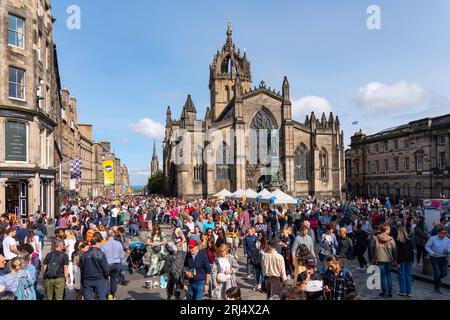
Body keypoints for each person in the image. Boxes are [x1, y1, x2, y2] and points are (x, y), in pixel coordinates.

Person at [371, 224, 397, 298]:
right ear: (385, 230)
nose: (389, 231)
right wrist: (395, 259)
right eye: (388, 230)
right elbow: (395, 250)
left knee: (383, 276)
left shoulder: (377, 238)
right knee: (388, 275)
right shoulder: (391, 239)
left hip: (380, 259)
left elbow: (373, 248)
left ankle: (384, 292)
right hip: (388, 259)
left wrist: (373, 258)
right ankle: (389, 292)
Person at [425, 226, 450, 294]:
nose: (444, 234)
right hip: (434, 258)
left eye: (445, 233)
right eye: (443, 233)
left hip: (443, 257)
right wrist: (432, 252)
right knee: (437, 272)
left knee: (444, 273)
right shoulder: (433, 238)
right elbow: (427, 246)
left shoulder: (447, 240)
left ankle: (438, 280)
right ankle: (437, 288)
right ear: (438, 233)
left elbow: (449, 248)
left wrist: (447, 251)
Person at [101, 230, 125, 300]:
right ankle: (113, 295)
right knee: (114, 280)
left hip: (107, 264)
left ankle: (109, 295)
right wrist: (120, 263)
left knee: (106, 280)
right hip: (116, 264)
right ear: (113, 235)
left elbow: (102, 257)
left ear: (106, 236)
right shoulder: (119, 244)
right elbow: (122, 256)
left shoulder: (104, 245)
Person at [396, 226, 413, 297]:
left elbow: (399, 253)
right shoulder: (409, 240)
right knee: (408, 275)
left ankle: (402, 291)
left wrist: (398, 262)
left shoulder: (399, 241)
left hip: (402, 260)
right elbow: (411, 251)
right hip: (409, 260)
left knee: (401, 275)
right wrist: (412, 260)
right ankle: (408, 292)